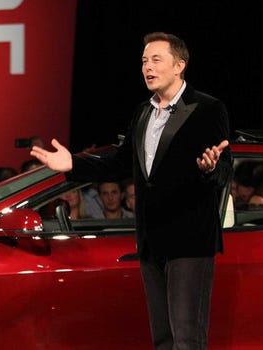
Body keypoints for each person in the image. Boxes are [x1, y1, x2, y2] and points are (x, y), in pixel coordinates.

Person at [30, 32, 231, 349]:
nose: (147, 67)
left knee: (187, 340)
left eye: (156, 60)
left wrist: (210, 168)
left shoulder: (207, 108)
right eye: (143, 61)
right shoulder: (143, 112)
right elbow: (119, 163)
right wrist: (73, 164)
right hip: (151, 240)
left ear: (179, 65)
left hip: (190, 240)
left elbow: (222, 169)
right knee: (163, 339)